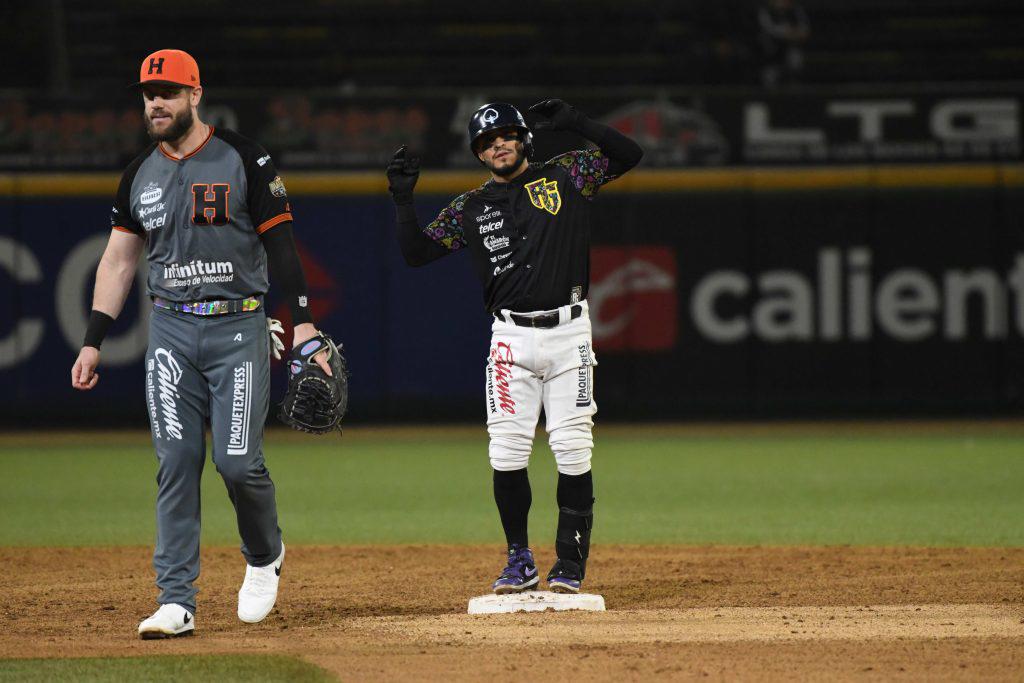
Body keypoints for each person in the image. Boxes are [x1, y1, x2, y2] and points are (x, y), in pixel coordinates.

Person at [70, 49, 331, 638]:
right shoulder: (139, 171)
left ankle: (265, 555)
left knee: (237, 463)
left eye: (167, 91)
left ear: (195, 95)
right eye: (147, 93)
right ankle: (175, 598)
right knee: (176, 461)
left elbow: (282, 247)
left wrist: (306, 322)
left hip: (239, 326)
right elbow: (117, 260)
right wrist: (92, 341)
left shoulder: (244, 157)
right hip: (169, 327)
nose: (155, 102)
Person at [386, 100, 642, 594]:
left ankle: (569, 562)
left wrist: (579, 124)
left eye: (503, 134)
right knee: (506, 452)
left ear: (524, 137)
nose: (496, 144)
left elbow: (629, 154)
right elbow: (417, 254)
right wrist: (401, 200)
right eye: (485, 141)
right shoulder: (471, 206)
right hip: (510, 339)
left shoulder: (568, 173)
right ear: (478, 154)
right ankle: (519, 560)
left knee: (572, 448)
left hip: (569, 334)